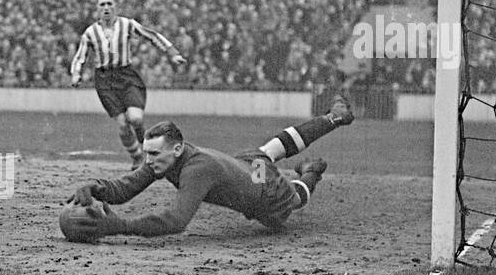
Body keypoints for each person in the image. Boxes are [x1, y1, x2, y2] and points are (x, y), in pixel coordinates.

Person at [59, 96, 355, 243]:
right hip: (247, 166)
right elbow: (125, 188)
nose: (148, 161)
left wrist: (119, 226)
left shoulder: (195, 169)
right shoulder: (164, 158)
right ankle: (332, 118)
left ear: (176, 149)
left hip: (265, 194)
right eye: (147, 153)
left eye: (153, 154)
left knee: (292, 202)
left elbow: (175, 221)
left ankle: (311, 171)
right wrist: (95, 187)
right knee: (266, 153)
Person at [70, 0, 188, 166]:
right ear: (97, 9)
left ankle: (144, 144)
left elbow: (152, 36)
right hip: (104, 80)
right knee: (123, 124)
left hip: (126, 75)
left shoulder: (127, 24)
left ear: (115, 6)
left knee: (136, 118)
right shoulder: (90, 32)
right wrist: (76, 73)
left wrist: (172, 53)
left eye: (109, 4)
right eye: (102, 5)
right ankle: (137, 157)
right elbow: (80, 55)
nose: (106, 8)